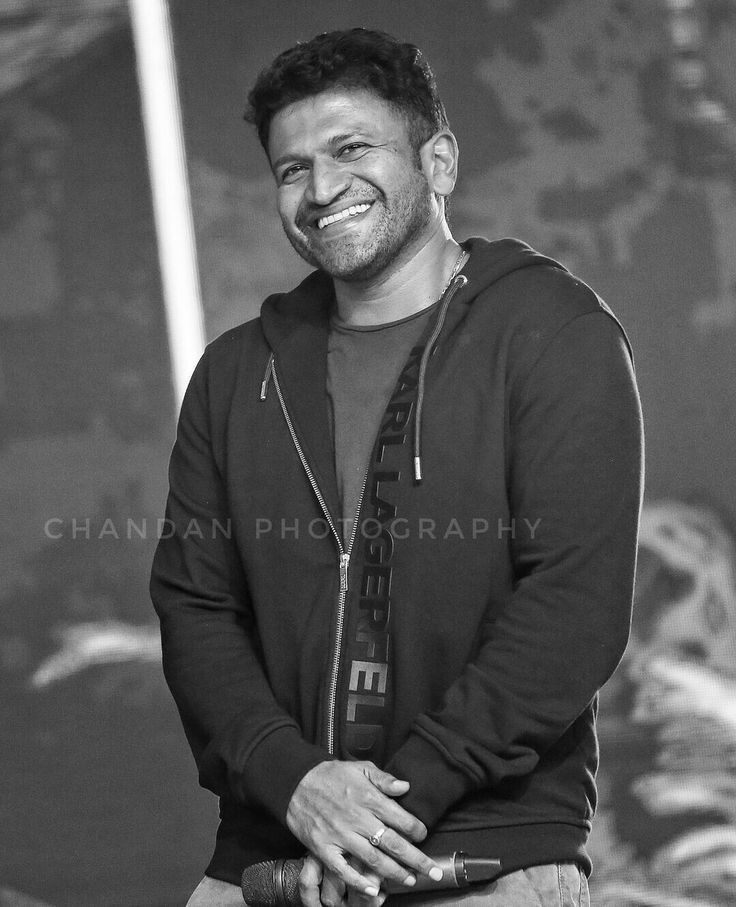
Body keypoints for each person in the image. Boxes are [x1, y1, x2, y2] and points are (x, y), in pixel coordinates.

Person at [150, 27, 643, 907]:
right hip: (269, 858)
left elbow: (573, 605)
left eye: (350, 150)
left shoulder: (552, 334)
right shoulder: (235, 372)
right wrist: (294, 780)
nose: (321, 188)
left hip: (482, 857)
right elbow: (195, 604)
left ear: (439, 161)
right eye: (291, 168)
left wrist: (390, 805)